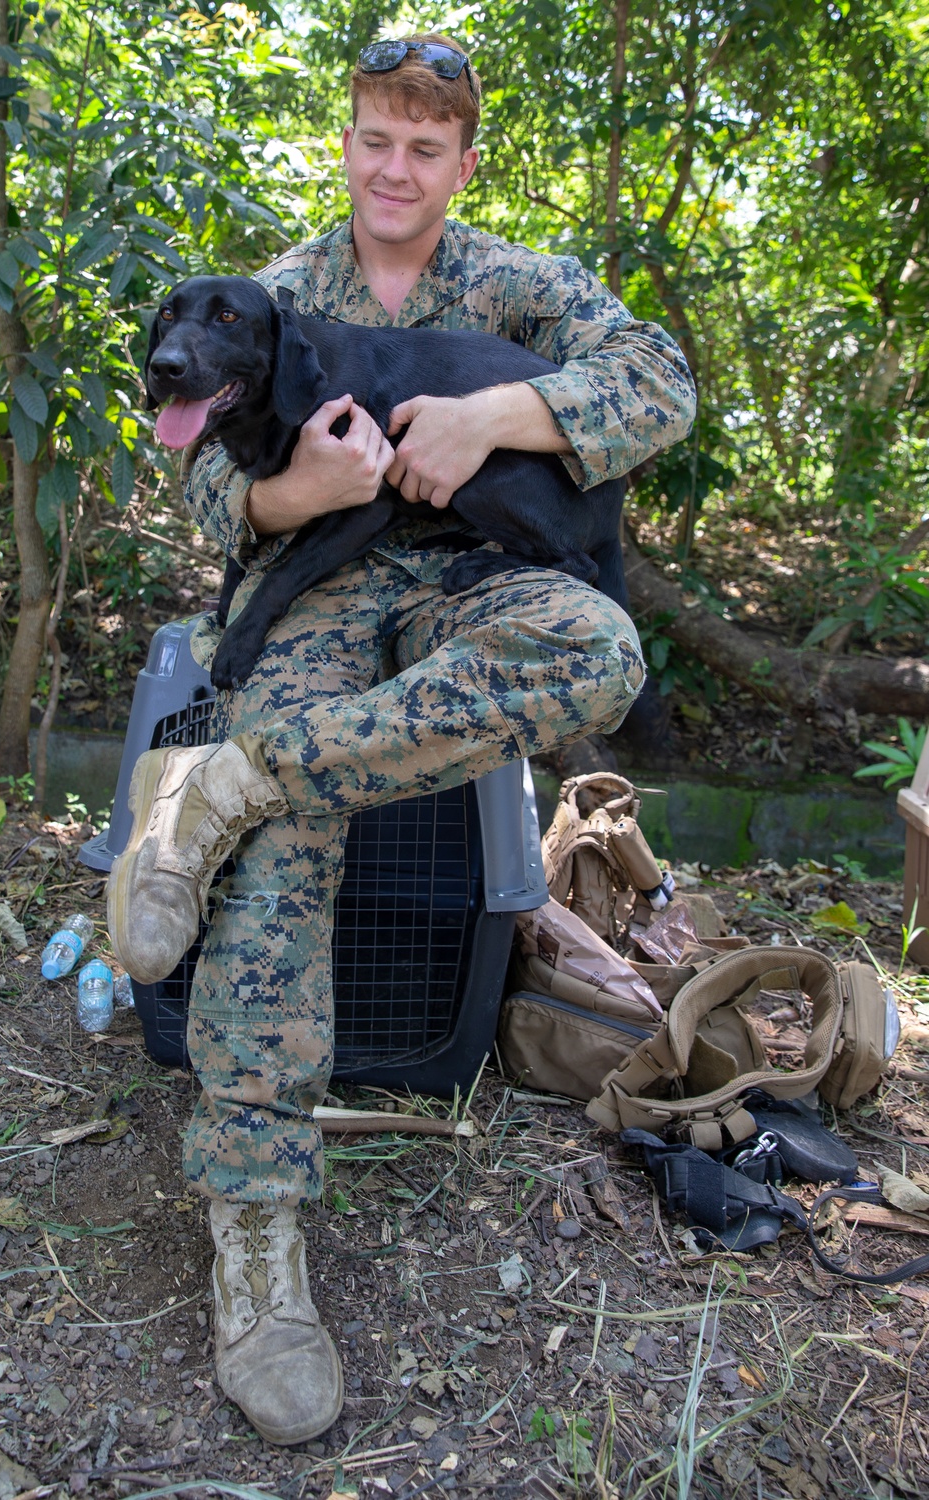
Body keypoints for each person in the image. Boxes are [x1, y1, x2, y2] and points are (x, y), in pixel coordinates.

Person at [107, 34, 695, 1447]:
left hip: (483, 574)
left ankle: (226, 783)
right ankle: (254, 1230)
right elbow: (195, 476)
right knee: (288, 833)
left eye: (426, 146)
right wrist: (285, 493)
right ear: (350, 138)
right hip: (326, 583)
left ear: (461, 161)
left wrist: (503, 409)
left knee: (599, 651)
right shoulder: (274, 289)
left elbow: (659, 383)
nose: (396, 166)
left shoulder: (517, 283)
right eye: (378, 136)